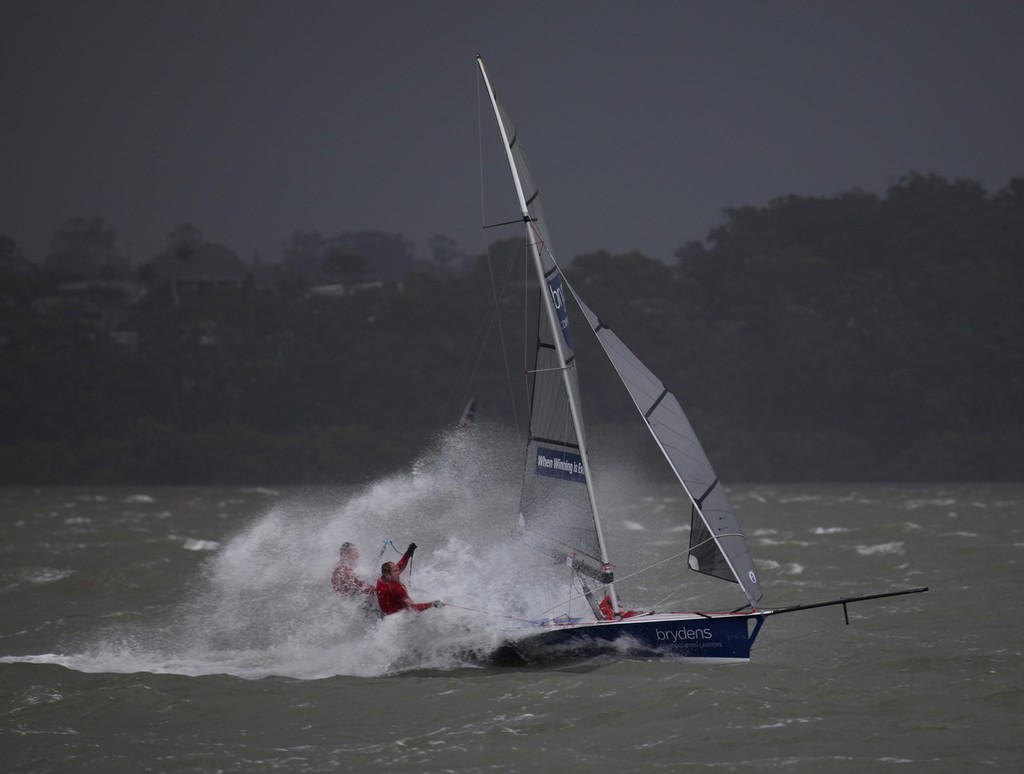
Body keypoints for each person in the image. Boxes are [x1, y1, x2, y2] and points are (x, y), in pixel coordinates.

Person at [375, 542, 444, 616]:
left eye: (398, 570)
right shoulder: (397, 589)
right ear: (387, 575)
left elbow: (398, 567)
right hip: (397, 618)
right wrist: (432, 604)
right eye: (395, 571)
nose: (399, 572)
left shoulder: (381, 579)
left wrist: (407, 554)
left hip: (384, 613)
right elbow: (413, 608)